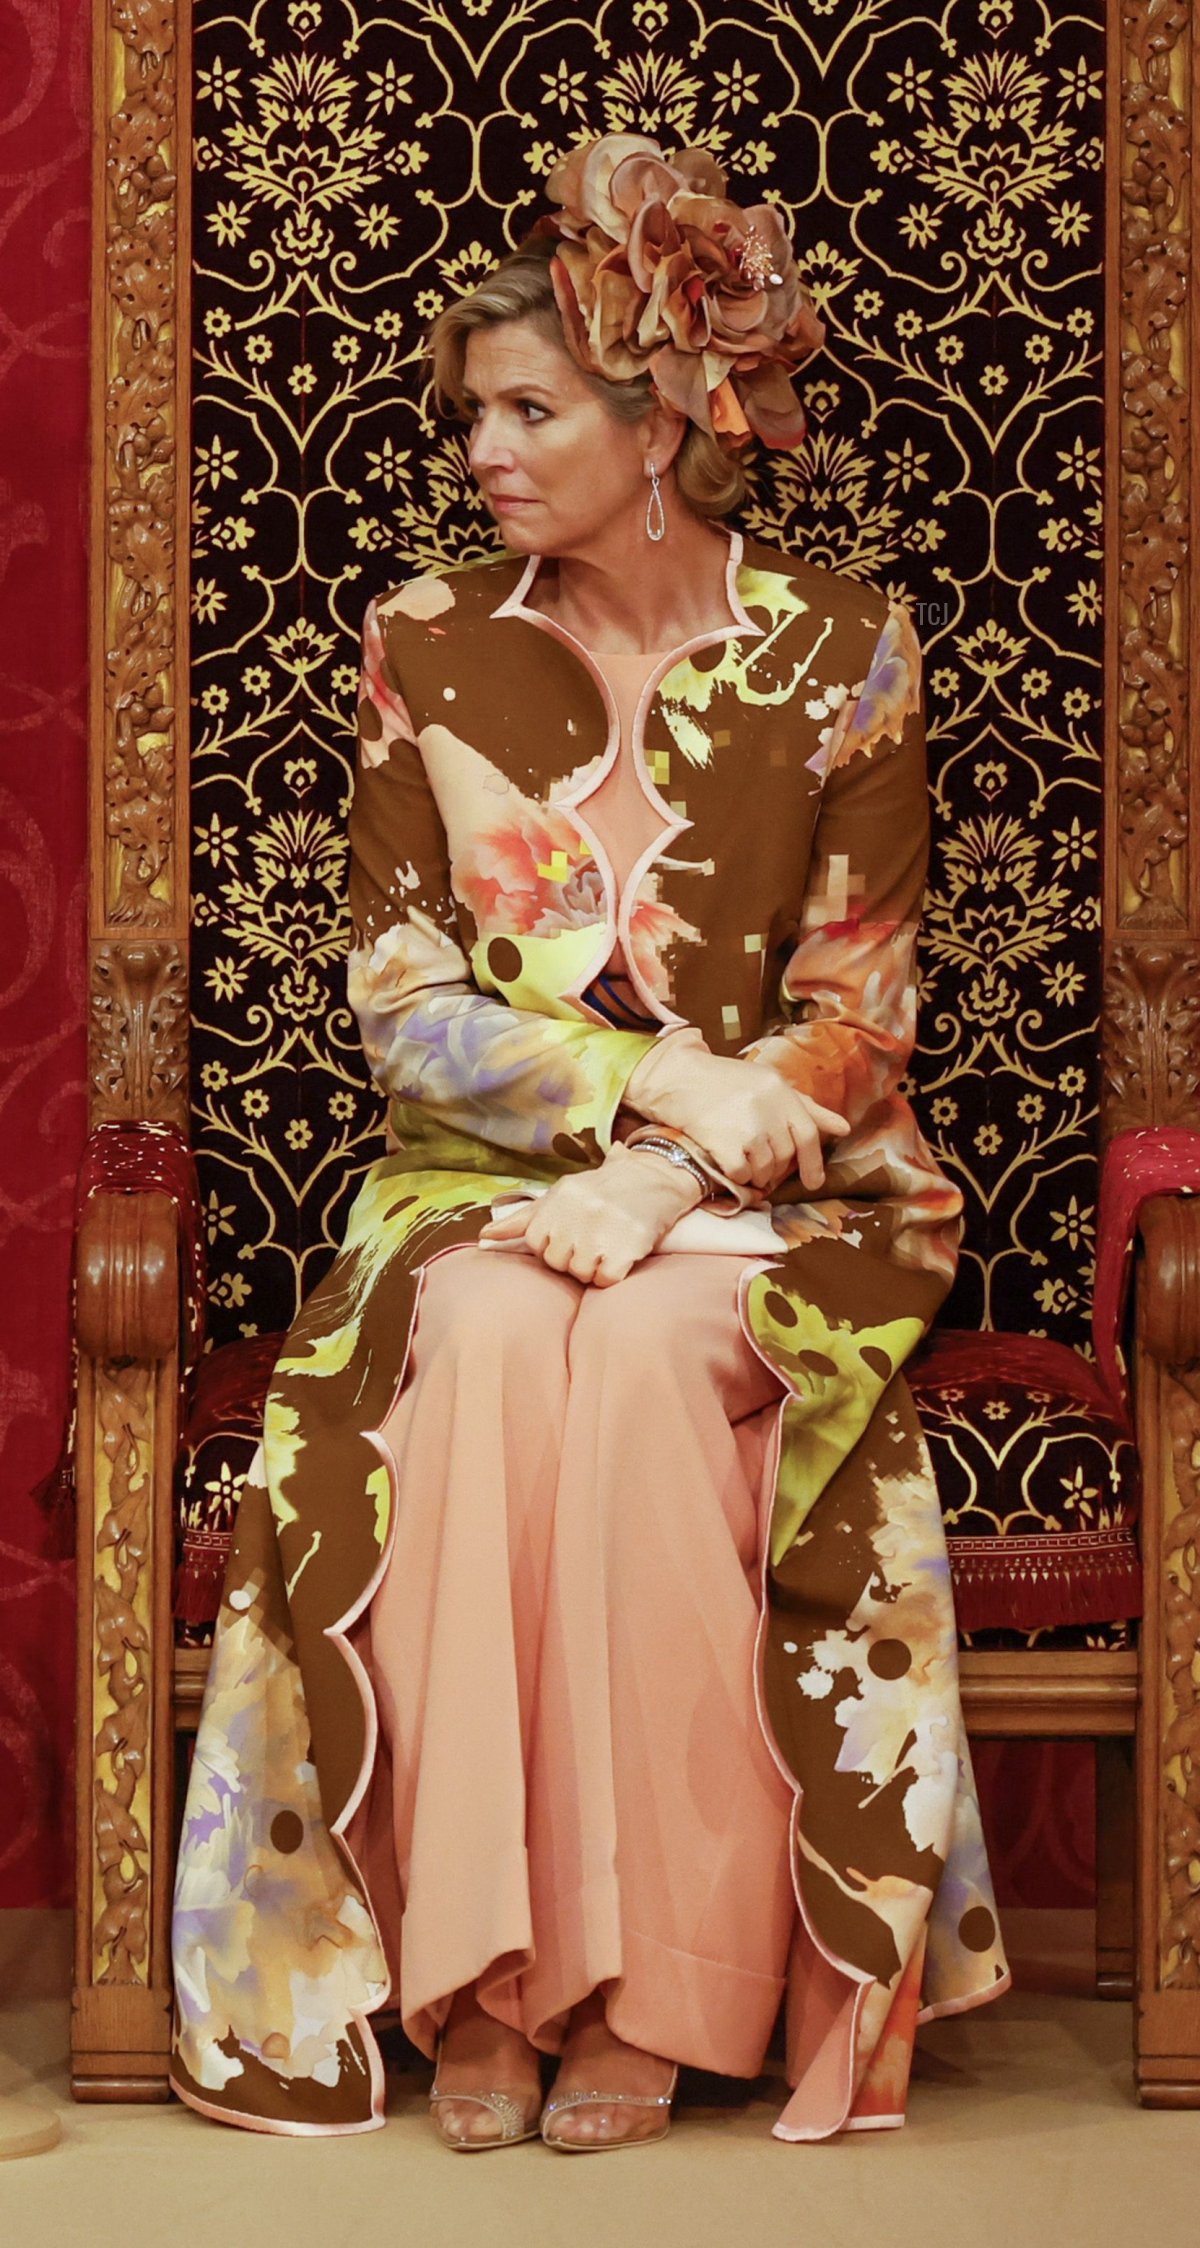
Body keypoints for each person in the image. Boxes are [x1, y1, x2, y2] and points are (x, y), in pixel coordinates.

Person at [169, 131, 1009, 2152]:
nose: (479, 447)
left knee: (638, 1364)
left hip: (789, 1198)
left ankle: (655, 1981)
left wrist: (684, 1175)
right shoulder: (426, 638)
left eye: (526, 408)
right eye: (469, 412)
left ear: (667, 424)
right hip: (479, 1186)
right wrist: (633, 1095)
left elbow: (862, 1012)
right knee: (477, 1354)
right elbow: (403, 998)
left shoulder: (847, 644)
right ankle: (484, 1973)